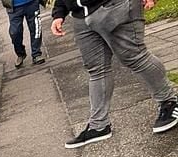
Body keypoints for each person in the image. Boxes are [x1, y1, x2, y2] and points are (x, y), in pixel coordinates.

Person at [52, 0, 178, 148]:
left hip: (115, 5)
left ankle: (169, 101)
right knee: (96, 69)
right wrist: (58, 13)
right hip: (81, 16)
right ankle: (99, 125)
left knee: (135, 57)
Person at [2, 0, 45, 68]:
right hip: (14, 7)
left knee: (36, 28)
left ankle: (36, 53)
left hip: (32, 3)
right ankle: (20, 53)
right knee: (15, 32)